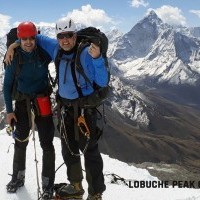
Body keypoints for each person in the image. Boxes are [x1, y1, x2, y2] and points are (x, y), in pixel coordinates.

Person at [6, 18, 108, 200]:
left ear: (75, 35)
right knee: (68, 149)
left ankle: (95, 193)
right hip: (65, 109)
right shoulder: (55, 48)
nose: (65, 40)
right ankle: (76, 187)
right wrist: (13, 46)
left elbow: (102, 81)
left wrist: (98, 58)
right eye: (61, 36)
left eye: (69, 35)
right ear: (57, 37)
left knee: (90, 151)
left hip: (85, 111)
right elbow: (31, 37)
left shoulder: (86, 53)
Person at [3, 22, 55, 199]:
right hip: (22, 101)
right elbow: (7, 85)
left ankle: (48, 184)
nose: (28, 42)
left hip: (42, 98)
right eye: (23, 39)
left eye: (31, 38)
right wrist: (9, 111)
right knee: (20, 140)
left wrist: (13, 44)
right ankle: (18, 177)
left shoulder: (43, 52)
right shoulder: (14, 57)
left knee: (47, 143)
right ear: (19, 39)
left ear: (36, 38)